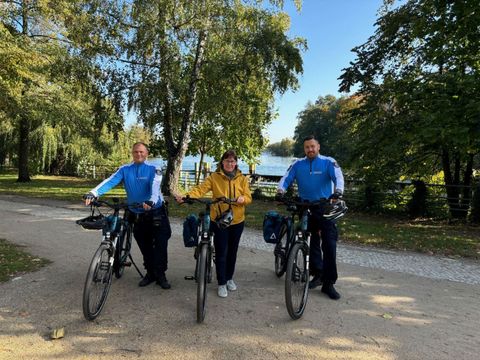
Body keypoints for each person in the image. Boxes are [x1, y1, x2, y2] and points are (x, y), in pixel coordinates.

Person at [84, 142, 172, 289]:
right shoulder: (125, 169)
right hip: (136, 213)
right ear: (132, 153)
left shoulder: (154, 169)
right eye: (136, 152)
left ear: (147, 153)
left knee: (161, 245)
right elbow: (110, 181)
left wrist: (151, 200)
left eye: (142, 152)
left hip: (155, 212)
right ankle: (150, 273)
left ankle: (161, 275)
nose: (139, 154)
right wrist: (93, 193)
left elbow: (155, 186)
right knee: (145, 246)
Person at [175, 149, 252, 298]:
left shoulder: (242, 178)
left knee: (232, 252)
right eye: (227, 160)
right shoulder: (214, 177)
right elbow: (200, 189)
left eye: (232, 161)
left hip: (237, 220)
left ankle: (229, 278)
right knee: (221, 252)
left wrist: (243, 199)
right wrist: (187, 196)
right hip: (219, 220)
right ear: (222, 162)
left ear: (236, 163)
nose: (230, 163)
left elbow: (249, 197)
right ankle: (222, 282)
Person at [277, 135, 344, 300]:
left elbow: (338, 177)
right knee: (312, 241)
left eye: (313, 146)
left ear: (318, 146)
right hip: (305, 206)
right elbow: (286, 178)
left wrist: (338, 192)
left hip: (324, 206)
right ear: (304, 149)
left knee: (329, 243)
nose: (310, 149)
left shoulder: (328, 162)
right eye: (307, 147)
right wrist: (280, 191)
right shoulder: (298, 164)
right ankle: (318, 274)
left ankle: (328, 283)